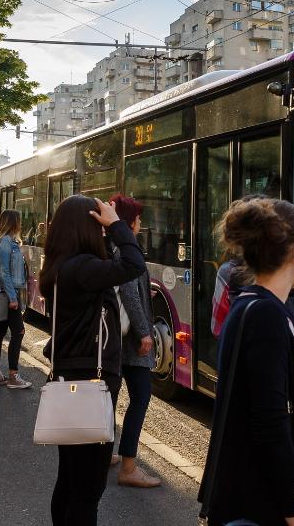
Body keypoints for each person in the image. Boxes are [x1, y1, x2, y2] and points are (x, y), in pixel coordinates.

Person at [198, 197, 294, 526]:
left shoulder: (247, 304)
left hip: (242, 494)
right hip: (260, 505)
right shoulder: (267, 316)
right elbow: (271, 425)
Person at [39, 195, 146, 526]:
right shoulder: (82, 267)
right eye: (97, 224)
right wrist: (116, 224)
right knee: (87, 488)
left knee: (70, 477)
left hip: (70, 378)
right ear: (87, 227)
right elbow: (133, 264)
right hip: (91, 383)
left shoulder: (60, 267)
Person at [109, 195, 161, 488]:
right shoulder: (126, 249)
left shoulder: (114, 247)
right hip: (130, 340)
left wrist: (145, 293)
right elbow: (128, 293)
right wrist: (144, 332)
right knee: (140, 398)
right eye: (139, 218)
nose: (141, 223)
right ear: (130, 221)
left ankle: (106, 453)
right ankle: (129, 466)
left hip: (119, 340)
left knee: (112, 398)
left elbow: (129, 290)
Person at [0, 209, 31, 389]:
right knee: (18, 331)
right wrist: (13, 297)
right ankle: (13, 376)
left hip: (7, 292)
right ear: (14, 222)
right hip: (8, 294)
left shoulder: (8, 241)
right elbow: (4, 271)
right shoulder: (6, 242)